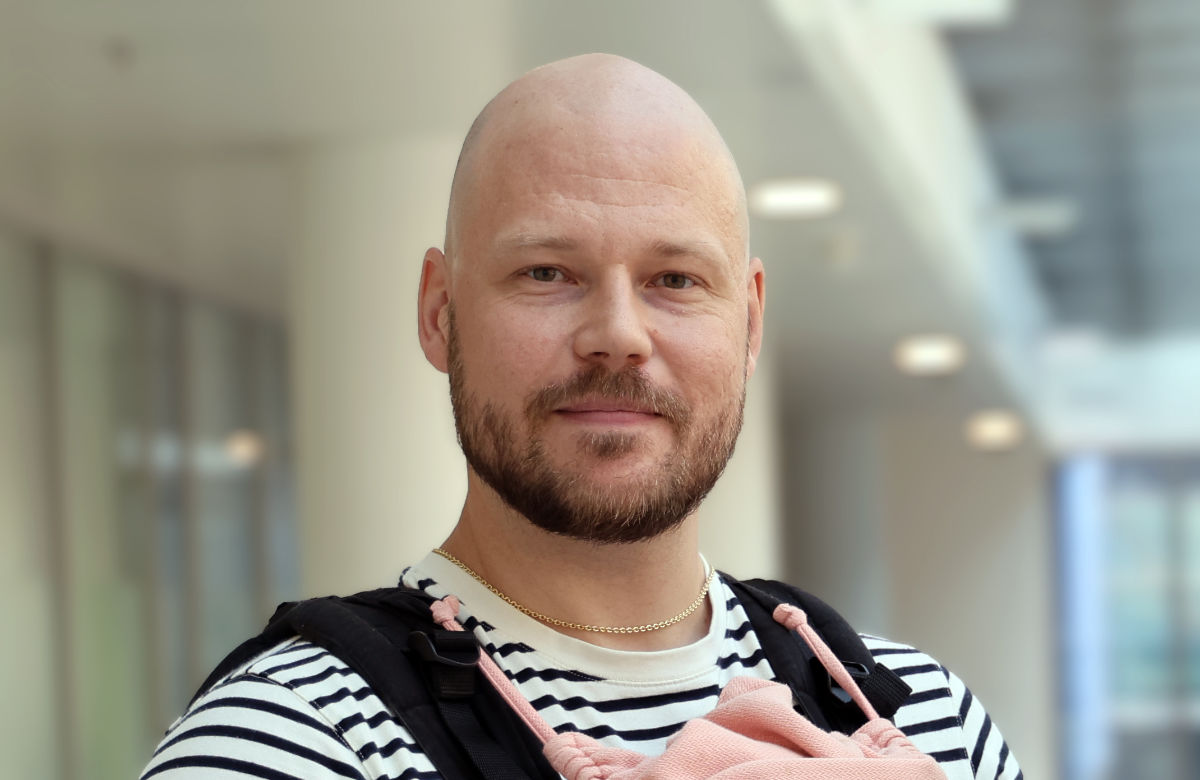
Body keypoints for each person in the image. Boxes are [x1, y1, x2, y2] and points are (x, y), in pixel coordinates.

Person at [141, 54, 1022, 780]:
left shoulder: (926, 717)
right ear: (440, 313)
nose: (618, 337)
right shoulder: (287, 744)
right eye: (546, 273)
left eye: (675, 279)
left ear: (750, 324)